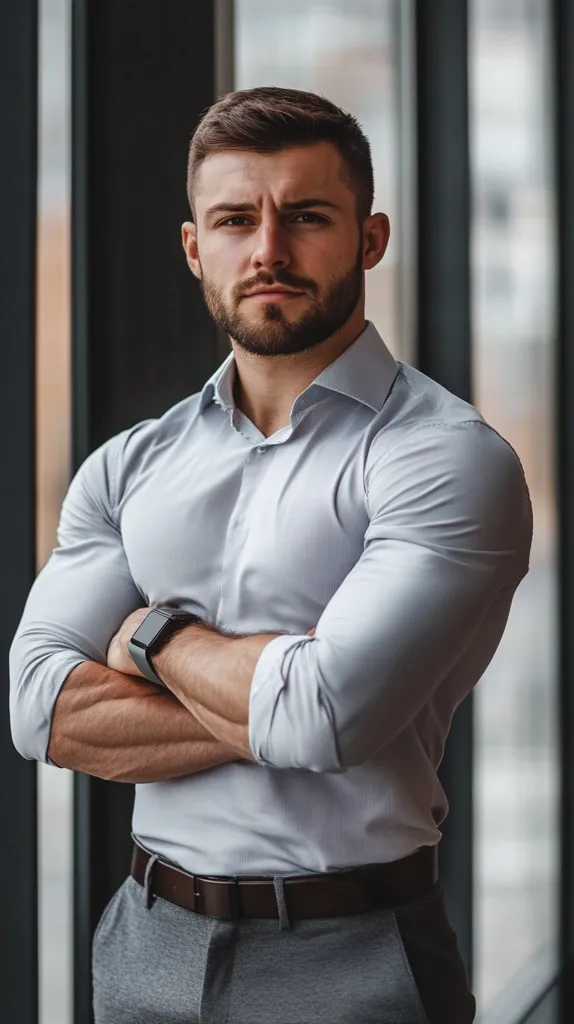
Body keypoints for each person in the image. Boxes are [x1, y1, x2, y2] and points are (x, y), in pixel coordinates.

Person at [9, 85, 532, 1024]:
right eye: (235, 219)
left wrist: (152, 634)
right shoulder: (130, 466)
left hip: (356, 948)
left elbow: (326, 717)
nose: (268, 251)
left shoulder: (448, 459)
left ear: (370, 239)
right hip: (144, 939)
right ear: (193, 246)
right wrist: (278, 690)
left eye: (307, 217)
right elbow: (40, 707)